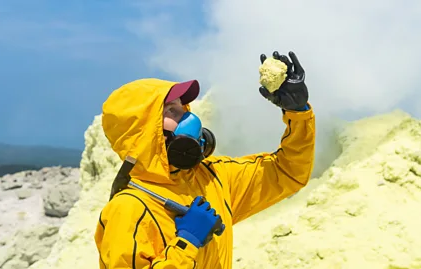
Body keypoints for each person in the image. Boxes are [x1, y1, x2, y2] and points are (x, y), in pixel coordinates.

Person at [94, 51, 316, 269]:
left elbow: (287, 172)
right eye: (172, 111)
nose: (188, 118)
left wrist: (297, 112)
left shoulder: (213, 178)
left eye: (182, 108)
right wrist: (187, 242)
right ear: (143, 130)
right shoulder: (128, 209)